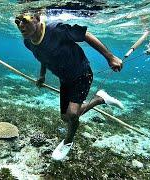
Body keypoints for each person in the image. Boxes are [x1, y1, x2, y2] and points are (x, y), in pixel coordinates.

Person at [15, 12, 124, 161]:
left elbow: (86, 35)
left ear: (38, 19)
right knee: (65, 117)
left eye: (25, 20)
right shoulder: (28, 42)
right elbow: (43, 57)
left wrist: (110, 57)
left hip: (82, 74)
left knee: (73, 115)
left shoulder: (56, 30)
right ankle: (100, 99)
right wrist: (42, 75)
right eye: (18, 21)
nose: (21, 25)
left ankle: (68, 142)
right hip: (65, 79)